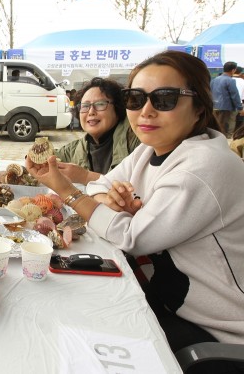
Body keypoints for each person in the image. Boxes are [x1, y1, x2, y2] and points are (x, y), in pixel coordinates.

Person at [26, 50, 244, 353]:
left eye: (165, 98)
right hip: (164, 300)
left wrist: (68, 192)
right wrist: (109, 202)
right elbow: (100, 184)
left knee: (74, 336)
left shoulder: (204, 167)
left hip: (215, 332)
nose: (146, 111)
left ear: (199, 107)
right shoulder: (151, 149)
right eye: (136, 98)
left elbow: (132, 237)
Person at [54, 77, 140, 184]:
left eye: (100, 104)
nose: (91, 112)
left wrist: (85, 176)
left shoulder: (136, 139)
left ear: (118, 108)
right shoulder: (78, 147)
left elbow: (137, 189)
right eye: (85, 106)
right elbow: (53, 156)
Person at [210, 61, 241, 137]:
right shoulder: (230, 80)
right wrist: (239, 107)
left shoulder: (214, 80)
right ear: (233, 70)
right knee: (224, 125)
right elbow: (234, 95)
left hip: (214, 106)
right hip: (225, 107)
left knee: (215, 125)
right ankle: (225, 139)